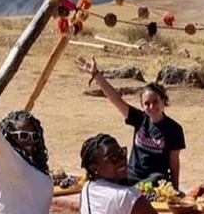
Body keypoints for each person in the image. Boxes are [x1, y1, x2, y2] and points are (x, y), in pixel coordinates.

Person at [77, 133, 196, 214]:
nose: (122, 160)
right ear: (94, 169)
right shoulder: (125, 196)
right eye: (113, 158)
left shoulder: (87, 189)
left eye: (122, 153)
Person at [76, 57, 186, 189]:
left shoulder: (174, 129)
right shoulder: (140, 119)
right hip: (131, 175)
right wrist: (96, 74)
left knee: (158, 178)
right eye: (147, 103)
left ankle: (131, 191)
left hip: (153, 179)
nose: (151, 106)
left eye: (155, 102)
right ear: (142, 105)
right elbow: (115, 99)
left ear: (163, 101)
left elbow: (174, 163)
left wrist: (175, 190)